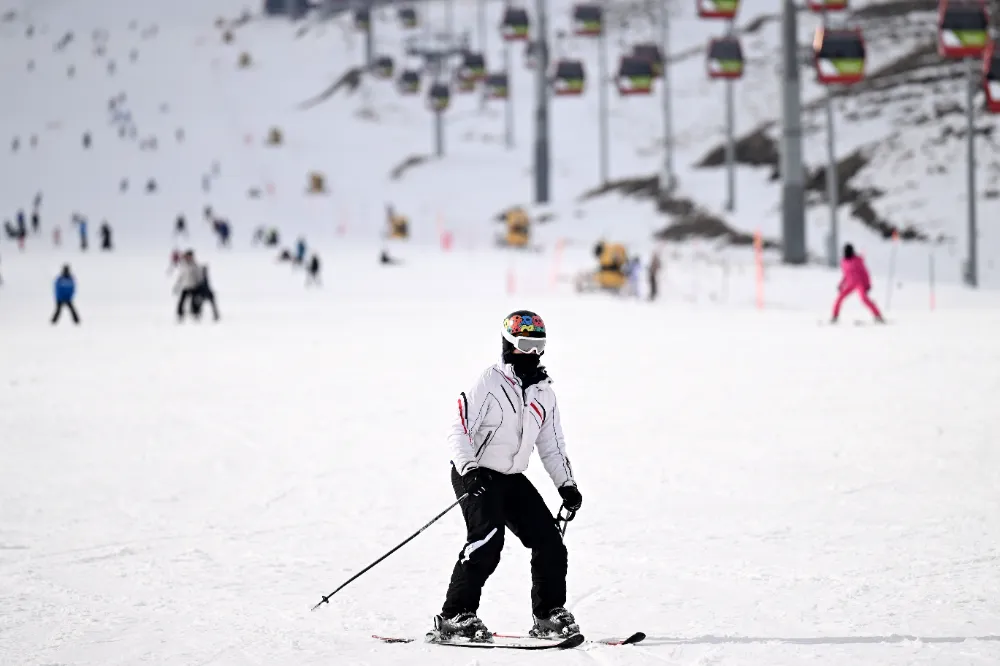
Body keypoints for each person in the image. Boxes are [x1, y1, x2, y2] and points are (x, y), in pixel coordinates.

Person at [433, 310, 583, 644]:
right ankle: (455, 615)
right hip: (477, 473)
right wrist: (469, 470)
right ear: (510, 343)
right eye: (525, 344)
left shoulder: (544, 393)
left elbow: (552, 445)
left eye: (538, 345)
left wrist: (567, 485)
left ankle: (548, 615)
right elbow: (459, 427)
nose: (532, 353)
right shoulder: (491, 381)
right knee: (488, 540)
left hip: (511, 477)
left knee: (550, 542)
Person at [832, 243, 884, 324]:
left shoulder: (857, 260)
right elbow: (845, 275)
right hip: (850, 284)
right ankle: (834, 316)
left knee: (864, 299)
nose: (847, 252)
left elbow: (865, 273)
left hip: (859, 283)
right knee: (839, 298)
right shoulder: (844, 262)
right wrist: (841, 284)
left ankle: (878, 315)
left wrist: (868, 284)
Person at [173, 251, 200, 321]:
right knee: (182, 301)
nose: (189, 257)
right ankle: (180, 314)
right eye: (188, 256)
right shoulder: (183, 265)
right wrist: (177, 285)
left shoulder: (194, 264)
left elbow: (198, 275)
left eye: (190, 256)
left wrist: (198, 284)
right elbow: (181, 276)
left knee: (195, 301)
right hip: (185, 286)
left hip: (194, 285)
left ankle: (195, 313)